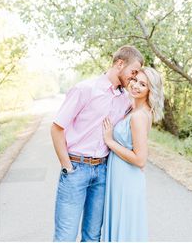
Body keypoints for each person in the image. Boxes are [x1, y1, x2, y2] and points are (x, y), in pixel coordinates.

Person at [51, 45, 144, 242]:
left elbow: (141, 113)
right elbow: (57, 127)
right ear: (120, 64)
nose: (133, 79)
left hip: (102, 172)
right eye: (133, 72)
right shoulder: (84, 89)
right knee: (65, 236)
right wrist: (67, 167)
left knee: (93, 236)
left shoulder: (125, 100)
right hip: (76, 169)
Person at [102, 67, 164, 242]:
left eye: (143, 84)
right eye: (135, 80)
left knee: (125, 229)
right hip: (121, 177)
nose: (136, 86)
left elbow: (140, 159)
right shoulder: (134, 110)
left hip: (127, 179)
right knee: (121, 226)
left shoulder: (139, 116)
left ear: (150, 90)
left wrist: (110, 141)